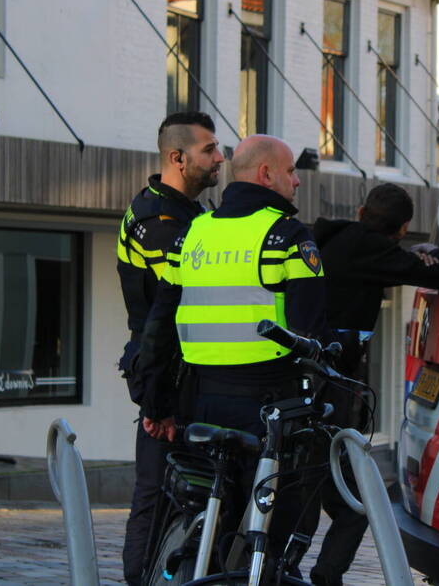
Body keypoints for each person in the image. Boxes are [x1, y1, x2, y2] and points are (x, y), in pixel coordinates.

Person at [139, 134, 330, 571]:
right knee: (273, 531)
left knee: (215, 517)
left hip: (200, 404)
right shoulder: (286, 237)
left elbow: (160, 327)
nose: (296, 182)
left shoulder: (194, 233)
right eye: (289, 171)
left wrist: (157, 402)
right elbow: (312, 333)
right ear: (266, 174)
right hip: (269, 407)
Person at [304, 183, 439, 586]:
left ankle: (286, 569)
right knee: (355, 499)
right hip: (332, 390)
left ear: (360, 210)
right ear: (403, 228)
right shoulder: (367, 250)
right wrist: (433, 256)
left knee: (304, 487)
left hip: (303, 384)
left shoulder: (335, 240)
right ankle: (325, 575)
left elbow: (396, 261)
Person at [116, 111, 224, 586]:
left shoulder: (187, 213)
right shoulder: (158, 221)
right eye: (209, 150)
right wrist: (159, 402)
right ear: (177, 158)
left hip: (180, 380)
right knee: (158, 500)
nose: (220, 158)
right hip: (166, 382)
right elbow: (167, 318)